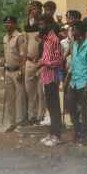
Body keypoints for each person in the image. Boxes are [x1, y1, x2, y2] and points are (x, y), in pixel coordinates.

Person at [64, 21, 87, 144]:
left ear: (80, 32)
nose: (72, 33)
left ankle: (84, 133)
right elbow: (73, 64)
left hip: (83, 83)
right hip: (73, 82)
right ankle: (77, 130)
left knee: (84, 109)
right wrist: (67, 79)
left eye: (74, 30)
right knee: (71, 108)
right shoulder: (74, 45)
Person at [36, 14, 63, 146]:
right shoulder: (45, 39)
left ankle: (57, 135)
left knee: (55, 107)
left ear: (48, 24)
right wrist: (41, 62)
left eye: (42, 24)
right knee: (50, 107)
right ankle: (52, 133)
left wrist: (45, 63)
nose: (40, 27)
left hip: (52, 76)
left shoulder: (54, 40)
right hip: (45, 76)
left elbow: (58, 60)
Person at [1, 15, 27, 132]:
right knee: (10, 98)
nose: (7, 25)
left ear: (15, 24)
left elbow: (23, 56)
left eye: (10, 23)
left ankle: (20, 122)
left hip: (17, 71)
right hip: (8, 71)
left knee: (20, 98)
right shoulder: (5, 37)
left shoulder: (19, 37)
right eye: (6, 23)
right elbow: (5, 55)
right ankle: (12, 123)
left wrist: (22, 71)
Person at [24, 1, 46, 125]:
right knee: (30, 91)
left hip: (41, 61)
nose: (33, 11)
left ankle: (40, 115)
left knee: (40, 92)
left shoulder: (43, 23)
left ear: (39, 9)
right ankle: (31, 115)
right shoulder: (28, 23)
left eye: (35, 9)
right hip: (29, 61)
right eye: (31, 9)